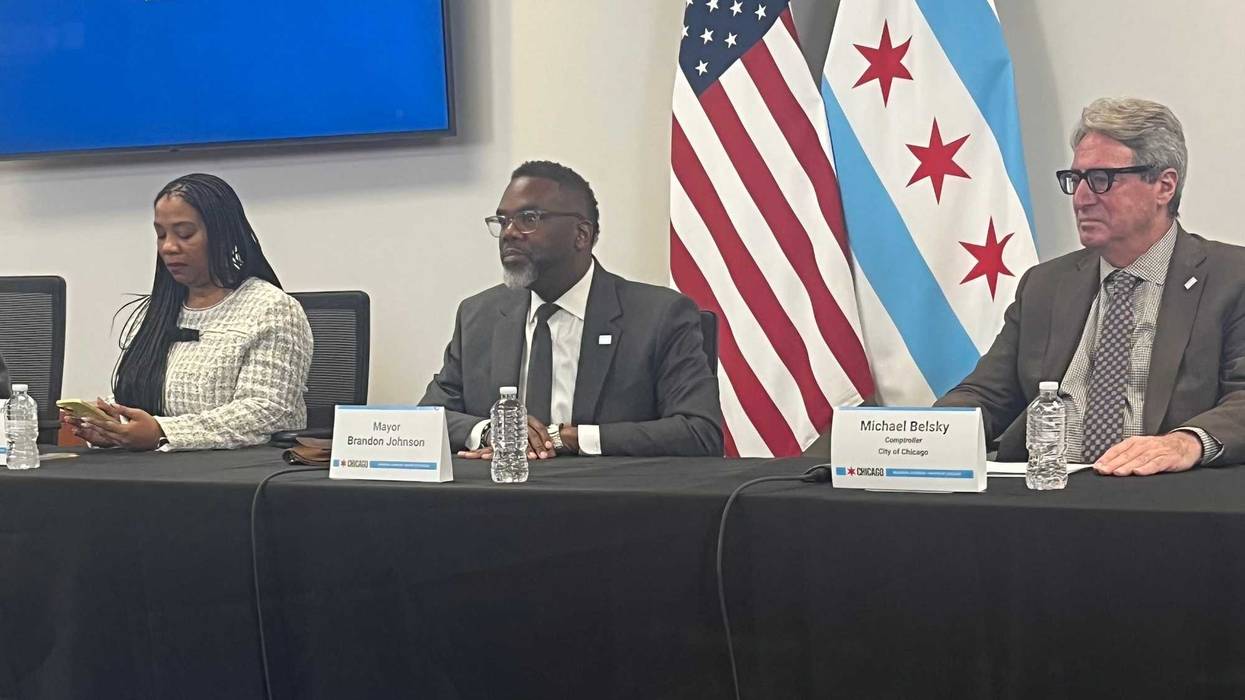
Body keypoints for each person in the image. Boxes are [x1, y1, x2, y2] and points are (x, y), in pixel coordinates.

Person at [936, 97, 1245, 476]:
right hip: (1044, 493)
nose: (1082, 199)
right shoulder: (1045, 285)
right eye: (1075, 180)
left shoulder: (1231, 278)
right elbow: (987, 395)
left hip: (1162, 498)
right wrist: (921, 436)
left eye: (1102, 180)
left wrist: (1187, 442)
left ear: (1164, 186)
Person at [420, 160, 723, 458]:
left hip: (604, 500)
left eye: (528, 219)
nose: (509, 233)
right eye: (502, 221)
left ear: (581, 234)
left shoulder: (658, 316)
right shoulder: (479, 315)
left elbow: (699, 432)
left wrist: (570, 438)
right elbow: (427, 421)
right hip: (498, 501)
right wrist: (492, 431)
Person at [64, 173, 313, 450]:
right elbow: (137, 397)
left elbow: (267, 412)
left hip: (238, 475)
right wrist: (112, 426)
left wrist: (163, 432)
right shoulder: (157, 311)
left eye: (185, 234)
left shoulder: (273, 309)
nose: (168, 247)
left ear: (223, 235)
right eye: (161, 235)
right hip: (151, 471)